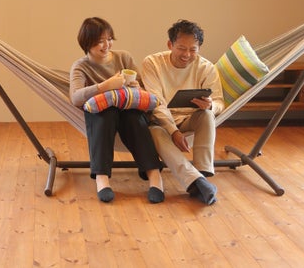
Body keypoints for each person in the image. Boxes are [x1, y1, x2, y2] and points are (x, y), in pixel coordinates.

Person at [70, 17, 164, 203]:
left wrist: (136, 86)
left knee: (134, 118)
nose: (107, 45)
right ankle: (102, 178)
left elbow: (142, 86)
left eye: (110, 39)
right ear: (87, 43)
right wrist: (105, 86)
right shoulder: (80, 66)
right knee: (104, 115)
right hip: (102, 114)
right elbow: (75, 97)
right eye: (100, 41)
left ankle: (155, 176)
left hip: (128, 108)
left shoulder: (124, 57)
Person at [141, 19, 224, 205]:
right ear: (170, 45)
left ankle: (202, 175)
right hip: (161, 123)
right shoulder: (152, 63)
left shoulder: (207, 68)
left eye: (193, 49)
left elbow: (220, 102)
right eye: (181, 48)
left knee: (207, 115)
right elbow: (156, 103)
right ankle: (197, 183)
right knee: (154, 132)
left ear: (199, 48)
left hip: (190, 118)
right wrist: (174, 132)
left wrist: (211, 105)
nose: (187, 54)